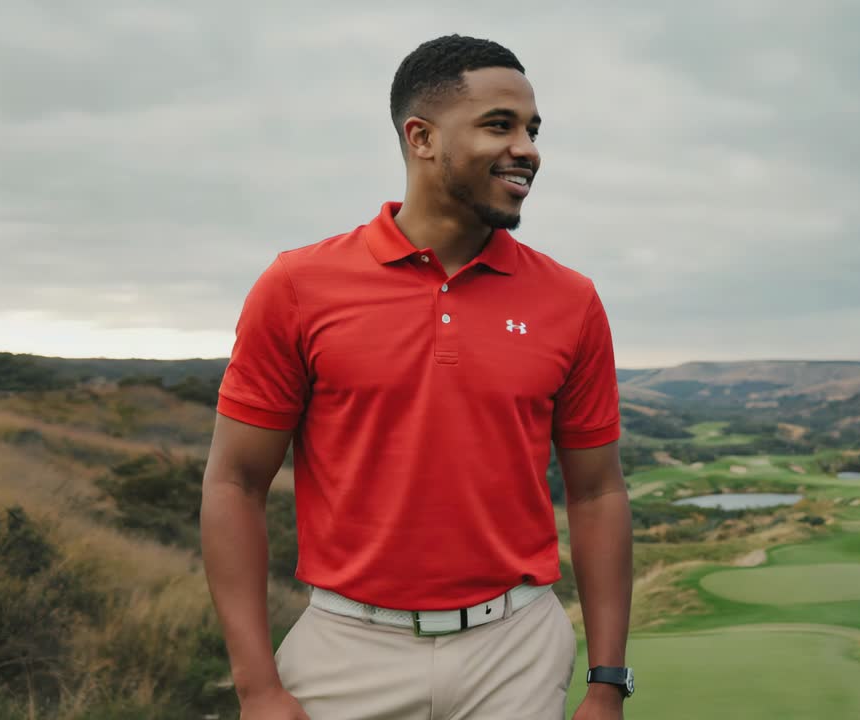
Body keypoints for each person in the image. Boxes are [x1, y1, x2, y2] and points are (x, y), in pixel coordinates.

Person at [200, 34, 634, 720]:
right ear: (422, 137)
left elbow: (598, 491)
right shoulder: (297, 285)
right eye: (500, 125)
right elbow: (234, 483)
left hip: (516, 650)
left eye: (532, 129)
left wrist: (607, 682)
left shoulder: (571, 299)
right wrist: (257, 687)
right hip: (345, 649)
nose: (528, 148)